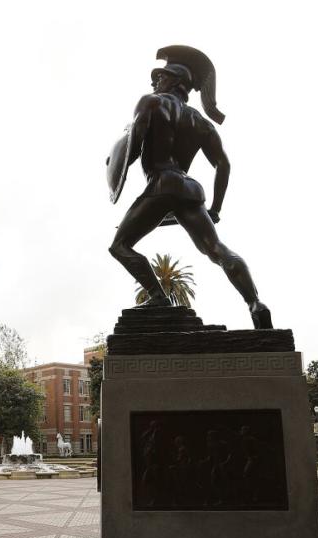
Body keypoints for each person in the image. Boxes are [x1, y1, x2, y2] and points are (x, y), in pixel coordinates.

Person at [107, 47, 270, 328]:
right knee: (217, 249)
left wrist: (114, 161)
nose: (154, 82)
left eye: (160, 76)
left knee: (120, 245)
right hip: (190, 189)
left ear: (174, 82)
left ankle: (159, 297)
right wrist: (215, 208)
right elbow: (223, 165)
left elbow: (134, 147)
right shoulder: (201, 122)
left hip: (161, 184)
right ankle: (256, 303)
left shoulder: (151, 103)